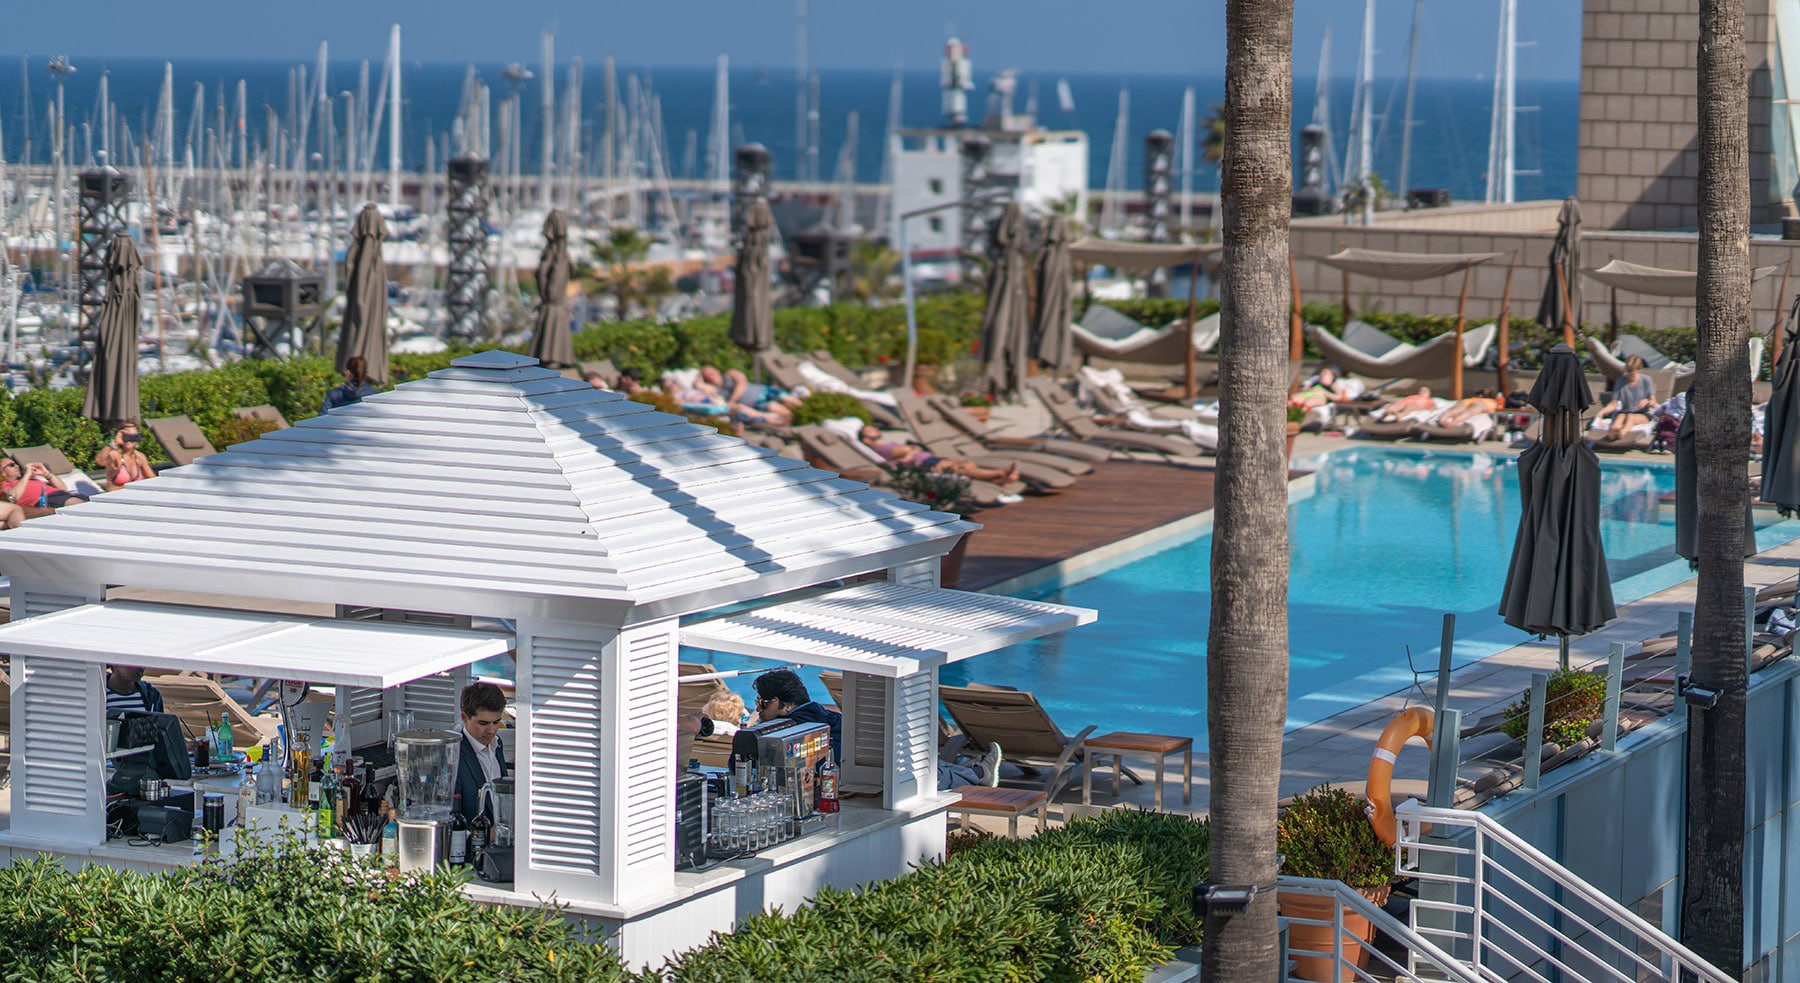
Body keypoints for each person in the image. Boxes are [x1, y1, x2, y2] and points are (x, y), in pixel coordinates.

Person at [747, 669, 1001, 790]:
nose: (758, 708)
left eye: (763, 702)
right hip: (879, 769)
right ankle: (979, 771)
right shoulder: (824, 716)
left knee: (927, 772)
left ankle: (978, 774)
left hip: (862, 779)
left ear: (787, 705)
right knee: (925, 766)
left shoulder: (789, 731)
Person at [858, 424, 1021, 485]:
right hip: (924, 465)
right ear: (866, 440)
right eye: (870, 430)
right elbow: (907, 450)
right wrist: (911, 450)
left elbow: (911, 449)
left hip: (929, 458)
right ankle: (999, 473)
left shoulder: (889, 444)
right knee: (962, 469)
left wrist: (912, 450)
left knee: (967, 465)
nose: (875, 429)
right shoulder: (882, 449)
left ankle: (999, 480)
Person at [454, 681, 509, 826]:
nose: (491, 731)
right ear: (464, 717)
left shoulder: (497, 744)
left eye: (496, 722)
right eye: (483, 723)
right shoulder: (453, 755)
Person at [1599, 355, 1657, 440]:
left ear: (1637, 369)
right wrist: (1601, 412)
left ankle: (1621, 434)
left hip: (1642, 414)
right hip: (1624, 413)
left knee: (1630, 416)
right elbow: (1613, 404)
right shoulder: (1620, 381)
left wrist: (1647, 402)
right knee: (1620, 416)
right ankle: (1613, 432)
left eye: (1631, 370)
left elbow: (1653, 403)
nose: (1628, 373)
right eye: (1627, 370)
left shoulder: (1646, 380)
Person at [2, 458, 84, 509]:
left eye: (16, 464)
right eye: (12, 465)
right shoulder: (4, 484)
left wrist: (46, 473)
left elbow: (63, 488)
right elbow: (13, 497)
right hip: (45, 500)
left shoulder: (31, 479)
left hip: (63, 495)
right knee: (80, 505)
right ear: (3, 473)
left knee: (92, 502)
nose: (17, 466)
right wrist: (26, 475)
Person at [96, 424, 155, 490]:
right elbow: (100, 461)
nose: (129, 440)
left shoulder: (139, 457)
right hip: (115, 497)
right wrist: (114, 443)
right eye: (126, 436)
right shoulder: (115, 455)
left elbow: (152, 479)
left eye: (133, 436)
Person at [1436, 391, 1501, 428]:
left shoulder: (1491, 401)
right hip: (1482, 404)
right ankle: (1452, 423)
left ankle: (1443, 419)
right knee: (1468, 412)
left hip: (1469, 401)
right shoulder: (1493, 402)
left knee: (1456, 410)